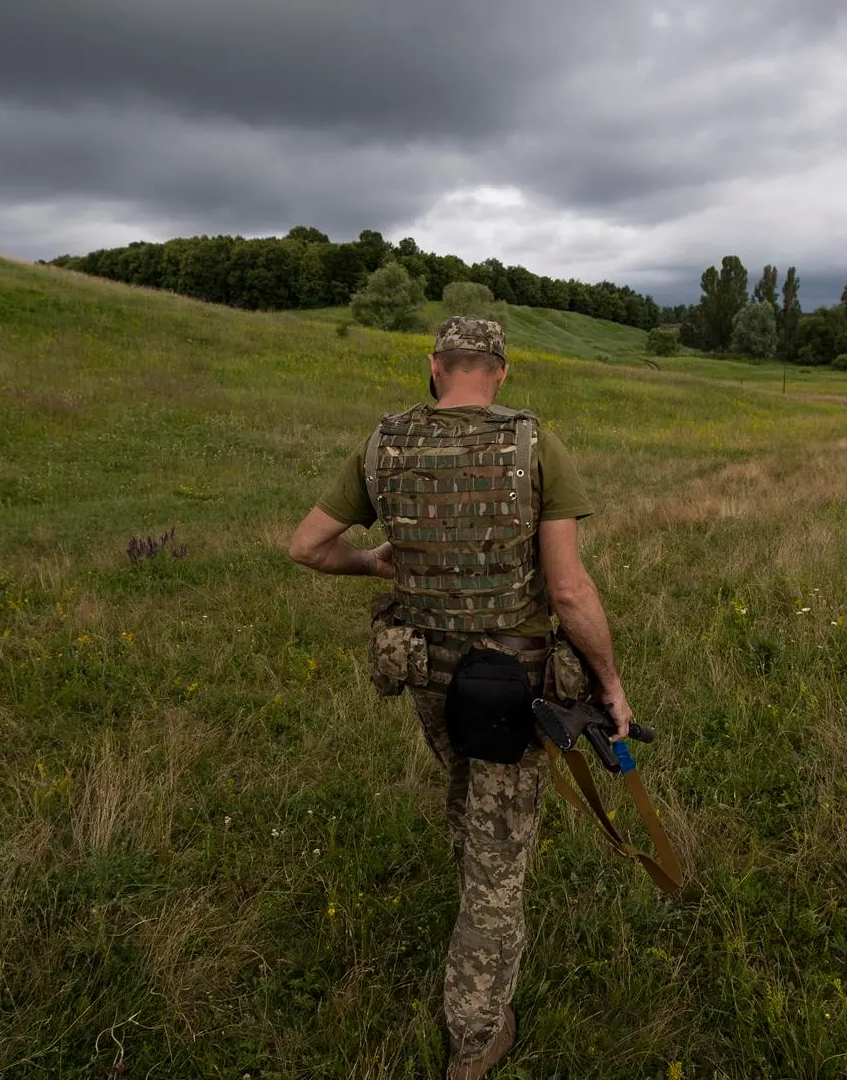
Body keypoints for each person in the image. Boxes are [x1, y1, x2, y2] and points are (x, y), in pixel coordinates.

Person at [288, 316, 633, 1079]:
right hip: (512, 688)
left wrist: (378, 566)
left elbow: (307, 546)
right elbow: (570, 590)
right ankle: (476, 1035)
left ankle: (478, 895)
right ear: (500, 373)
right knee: (498, 861)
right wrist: (610, 683)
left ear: (436, 367)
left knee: (465, 797)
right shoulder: (532, 445)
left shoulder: (384, 444)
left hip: (428, 679)